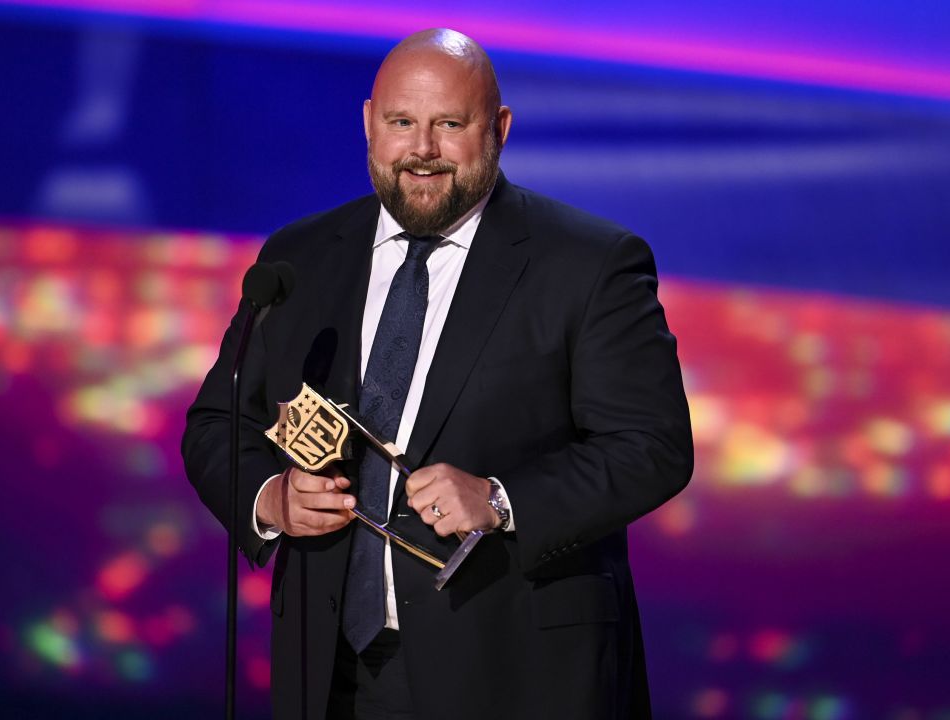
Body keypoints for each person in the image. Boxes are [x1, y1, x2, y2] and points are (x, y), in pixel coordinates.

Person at [183, 28, 693, 720]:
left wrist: (502, 499)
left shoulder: (589, 265)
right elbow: (219, 423)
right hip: (330, 670)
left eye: (449, 124)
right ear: (369, 123)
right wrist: (271, 500)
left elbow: (653, 446)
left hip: (515, 671)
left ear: (499, 128)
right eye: (401, 123)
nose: (422, 149)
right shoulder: (300, 259)